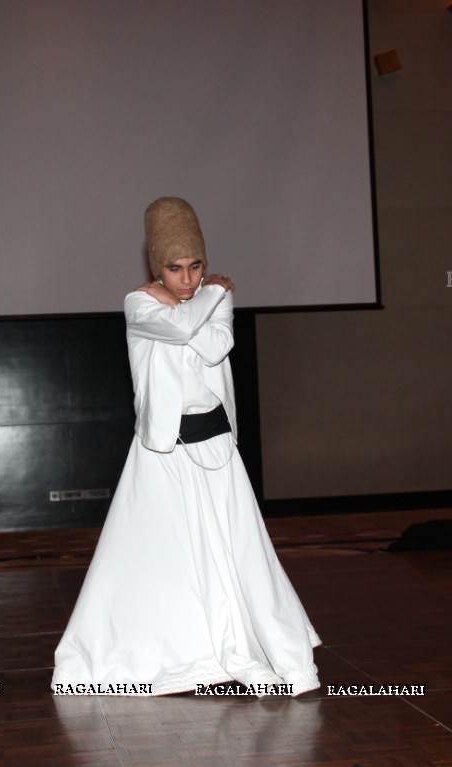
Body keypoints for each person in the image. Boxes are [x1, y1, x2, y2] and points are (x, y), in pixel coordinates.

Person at [52, 197, 320, 695]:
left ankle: (260, 652)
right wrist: (207, 299)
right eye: (175, 269)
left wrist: (204, 302)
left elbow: (215, 345)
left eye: (197, 267)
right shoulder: (140, 303)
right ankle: (187, 653)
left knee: (239, 549)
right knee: (162, 556)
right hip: (163, 452)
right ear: (158, 268)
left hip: (217, 446)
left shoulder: (214, 298)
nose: (188, 278)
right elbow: (179, 326)